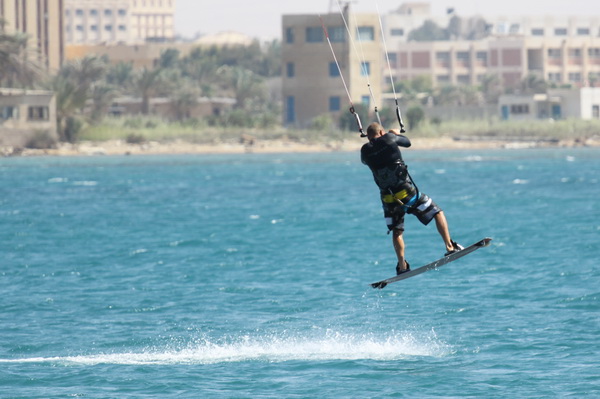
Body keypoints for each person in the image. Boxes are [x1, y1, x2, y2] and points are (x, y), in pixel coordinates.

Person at [360, 122, 463, 275]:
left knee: (397, 231)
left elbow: (365, 160)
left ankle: (402, 266)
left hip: (388, 198)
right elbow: (407, 143)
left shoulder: (365, 150)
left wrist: (377, 142)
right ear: (381, 132)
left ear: (368, 136)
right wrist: (395, 134)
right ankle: (449, 246)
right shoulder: (388, 138)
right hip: (405, 193)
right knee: (437, 212)